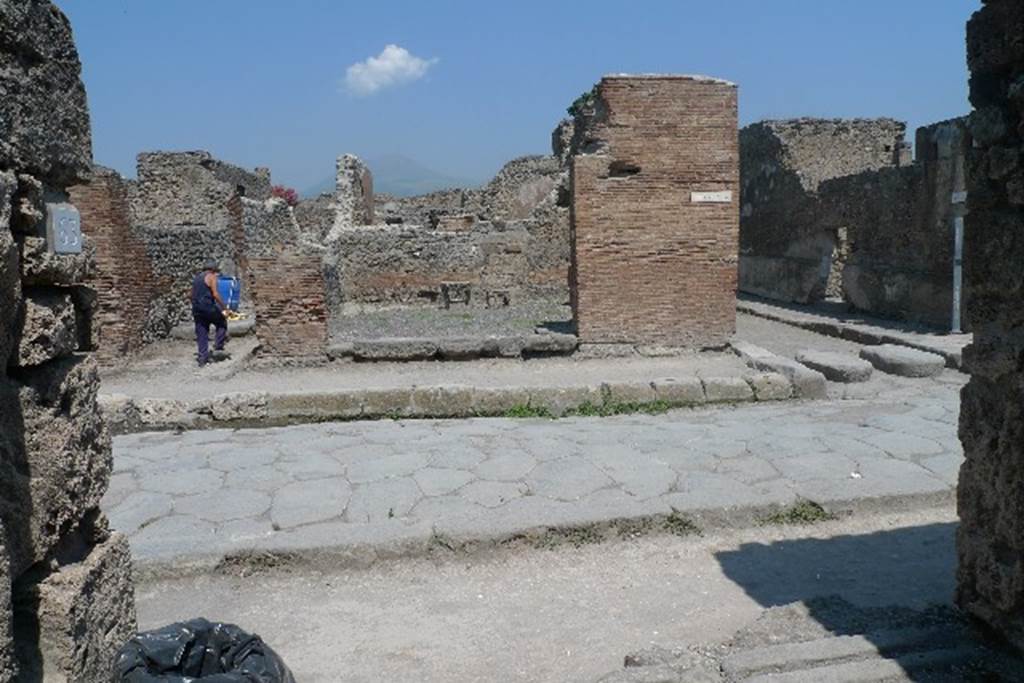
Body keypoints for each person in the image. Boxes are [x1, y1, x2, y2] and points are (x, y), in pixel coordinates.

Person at [191, 259, 229, 367]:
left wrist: (195, 306)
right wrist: (224, 307)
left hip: (197, 308)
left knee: (201, 331)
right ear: (213, 269)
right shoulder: (212, 277)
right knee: (221, 322)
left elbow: (191, 295)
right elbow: (215, 294)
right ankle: (218, 346)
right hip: (208, 306)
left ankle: (203, 357)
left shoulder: (196, 278)